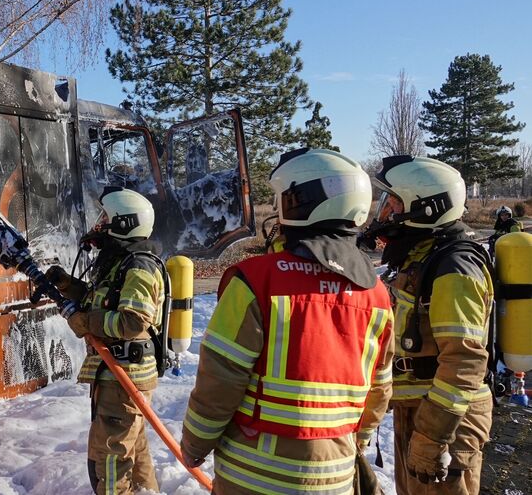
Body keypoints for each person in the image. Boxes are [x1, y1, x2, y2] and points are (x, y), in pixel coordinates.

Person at [180, 148, 394, 494]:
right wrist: (356, 442)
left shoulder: (256, 281)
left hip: (252, 476)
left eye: (282, 200)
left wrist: (194, 445)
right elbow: (379, 388)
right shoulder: (377, 294)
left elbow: (219, 379)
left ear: (301, 202)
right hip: (335, 476)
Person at [361, 156, 493, 495]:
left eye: (393, 202)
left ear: (426, 208)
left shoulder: (453, 268)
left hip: (448, 421)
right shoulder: (423, 254)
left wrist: (432, 436)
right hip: (421, 408)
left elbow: (464, 363)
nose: (385, 212)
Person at [47, 186, 165, 495]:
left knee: (111, 457)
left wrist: (84, 322)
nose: (99, 225)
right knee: (133, 450)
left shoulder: (139, 267)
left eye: (105, 218)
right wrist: (68, 285)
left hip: (124, 377)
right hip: (116, 374)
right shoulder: (120, 264)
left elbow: (132, 321)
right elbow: (103, 301)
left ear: (123, 223)